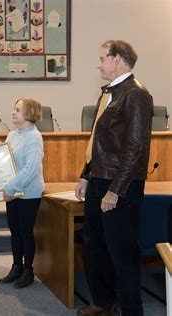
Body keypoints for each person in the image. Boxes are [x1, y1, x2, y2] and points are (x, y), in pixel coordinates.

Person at [74, 40, 154, 316]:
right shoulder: (108, 94)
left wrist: (115, 191)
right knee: (94, 245)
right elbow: (99, 141)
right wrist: (86, 175)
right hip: (98, 179)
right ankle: (104, 302)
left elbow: (136, 148)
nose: (98, 64)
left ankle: (132, 310)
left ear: (117, 59)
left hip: (120, 185)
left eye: (102, 58)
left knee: (122, 252)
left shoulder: (137, 95)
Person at [0, 97, 44, 288]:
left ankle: (28, 270)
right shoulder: (13, 135)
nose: (13, 112)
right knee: (14, 230)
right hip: (14, 191)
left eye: (17, 109)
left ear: (29, 113)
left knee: (25, 232)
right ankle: (16, 267)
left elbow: (30, 170)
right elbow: (9, 160)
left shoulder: (34, 137)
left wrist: (9, 188)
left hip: (28, 193)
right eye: (13, 109)